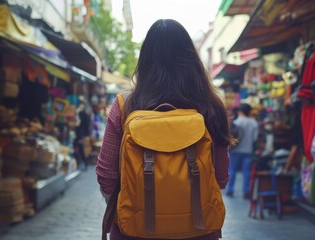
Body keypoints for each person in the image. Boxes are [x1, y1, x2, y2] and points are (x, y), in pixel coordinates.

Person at [96, 19, 231, 240]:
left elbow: (107, 176)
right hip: (199, 229)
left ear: (145, 59)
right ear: (191, 57)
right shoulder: (211, 106)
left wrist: (134, 202)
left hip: (135, 230)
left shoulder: (125, 105)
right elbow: (221, 177)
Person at [225, 103, 258, 199]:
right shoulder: (253, 123)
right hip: (248, 151)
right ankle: (246, 192)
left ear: (240, 111)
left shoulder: (237, 122)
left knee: (232, 170)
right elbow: (255, 139)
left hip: (235, 151)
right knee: (246, 172)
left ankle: (230, 190)